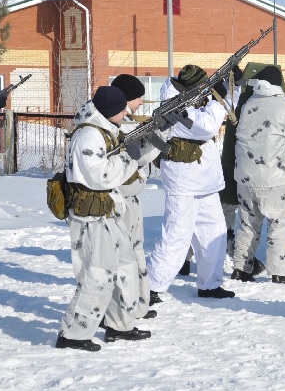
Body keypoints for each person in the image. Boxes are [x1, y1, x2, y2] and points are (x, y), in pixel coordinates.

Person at [55, 86, 153, 351]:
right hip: (90, 217)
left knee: (125, 265)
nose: (126, 112)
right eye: (121, 108)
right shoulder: (87, 135)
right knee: (97, 276)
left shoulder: (107, 130)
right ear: (110, 111)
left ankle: (118, 324)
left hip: (108, 212)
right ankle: (73, 334)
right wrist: (129, 160)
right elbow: (101, 176)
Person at [146, 64, 235, 301]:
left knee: (213, 232)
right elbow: (205, 127)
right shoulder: (174, 106)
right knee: (177, 234)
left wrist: (222, 90)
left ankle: (210, 284)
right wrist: (218, 100)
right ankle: (153, 286)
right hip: (184, 180)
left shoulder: (194, 99)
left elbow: (225, 110)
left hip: (205, 179)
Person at [231, 65, 285, 284]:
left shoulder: (248, 104)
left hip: (244, 176)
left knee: (247, 223)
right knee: (279, 222)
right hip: (274, 177)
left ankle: (241, 268)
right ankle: (278, 272)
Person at [111, 74, 160, 321]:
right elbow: (138, 158)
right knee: (124, 256)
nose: (141, 101)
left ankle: (139, 302)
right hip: (119, 199)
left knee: (136, 251)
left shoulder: (127, 122)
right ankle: (123, 306)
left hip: (132, 197)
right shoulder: (119, 125)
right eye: (138, 97)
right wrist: (158, 138)